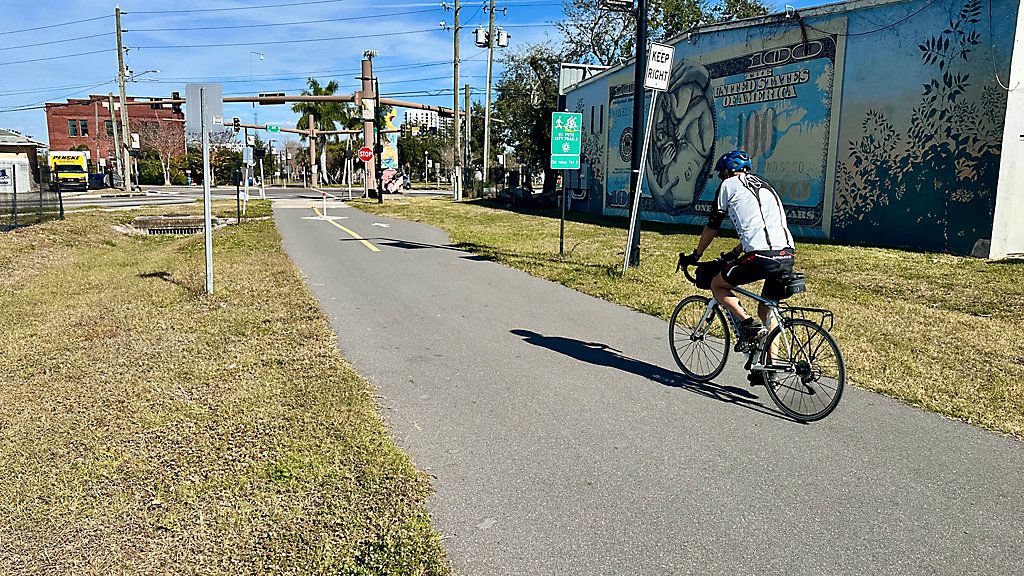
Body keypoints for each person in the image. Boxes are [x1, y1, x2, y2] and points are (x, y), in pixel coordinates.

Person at [682, 149, 795, 347]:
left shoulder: (728, 185)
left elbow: (712, 226)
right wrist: (735, 252)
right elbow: (762, 225)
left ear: (727, 172)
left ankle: (749, 324)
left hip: (760, 256)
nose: (721, 177)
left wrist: (696, 255)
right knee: (767, 310)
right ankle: (771, 364)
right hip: (787, 254)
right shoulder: (765, 184)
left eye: (721, 174)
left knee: (718, 285)